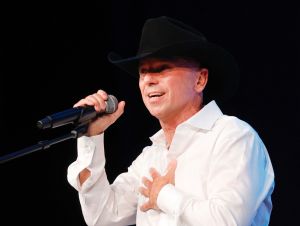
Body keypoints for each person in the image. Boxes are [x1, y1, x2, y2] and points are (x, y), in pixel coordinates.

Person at [67, 16, 275, 226]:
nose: (149, 80)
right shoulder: (152, 156)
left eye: (162, 69)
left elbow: (228, 221)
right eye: (143, 72)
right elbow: (103, 216)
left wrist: (164, 195)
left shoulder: (233, 137)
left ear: (200, 80)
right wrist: (90, 137)